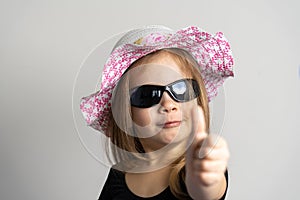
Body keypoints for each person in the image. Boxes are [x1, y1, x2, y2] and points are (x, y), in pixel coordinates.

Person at [80, 25, 234, 199]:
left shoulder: (196, 168)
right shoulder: (119, 174)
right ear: (126, 114)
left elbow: (209, 190)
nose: (168, 104)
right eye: (147, 95)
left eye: (181, 88)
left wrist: (207, 181)